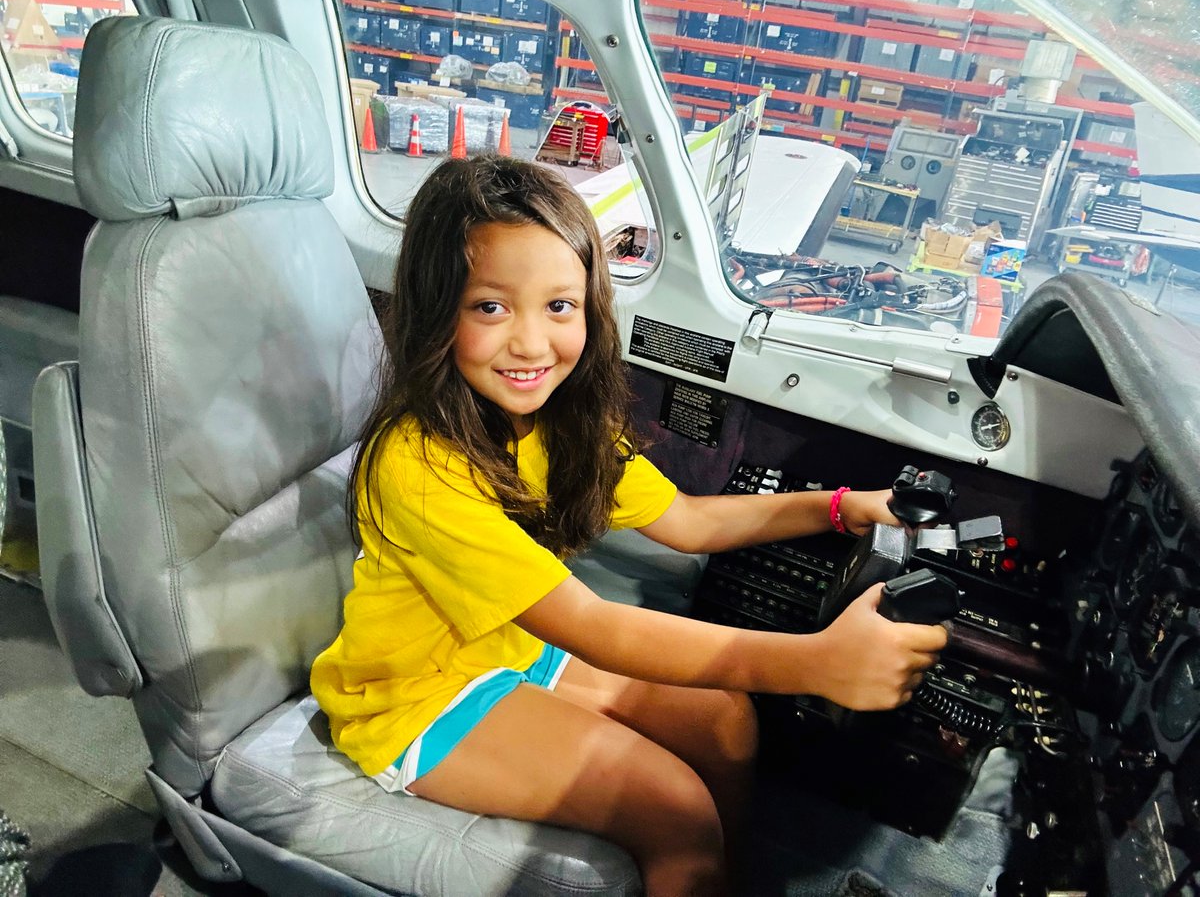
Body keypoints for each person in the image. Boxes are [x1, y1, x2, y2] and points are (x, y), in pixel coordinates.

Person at [310, 156, 948, 897]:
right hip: (412, 696)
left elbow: (686, 520)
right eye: (491, 307)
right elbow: (595, 628)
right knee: (675, 810)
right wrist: (817, 663)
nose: (531, 343)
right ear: (435, 311)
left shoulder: (556, 421)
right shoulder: (417, 465)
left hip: (508, 647)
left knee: (723, 722)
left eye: (560, 306)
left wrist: (838, 507)